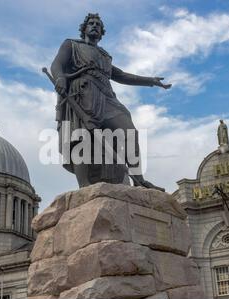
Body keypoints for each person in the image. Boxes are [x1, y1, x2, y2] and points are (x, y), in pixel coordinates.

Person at [50, 13, 171, 191]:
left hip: (106, 97)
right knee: (81, 137)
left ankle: (139, 179)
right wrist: (60, 78)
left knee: (129, 131)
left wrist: (150, 80)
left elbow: (121, 75)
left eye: (97, 24)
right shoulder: (72, 44)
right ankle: (84, 186)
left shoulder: (104, 56)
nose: (94, 26)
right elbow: (56, 64)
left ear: (101, 32)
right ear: (84, 28)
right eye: (90, 23)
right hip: (83, 93)